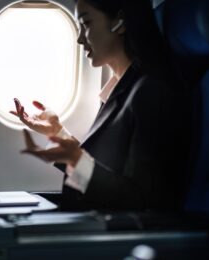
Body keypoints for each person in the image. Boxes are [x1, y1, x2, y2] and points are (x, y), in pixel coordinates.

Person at [11, 0, 190, 211]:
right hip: (91, 216)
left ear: (120, 23)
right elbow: (102, 171)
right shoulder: (120, 88)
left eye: (86, 24)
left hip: (109, 233)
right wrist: (56, 133)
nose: (79, 39)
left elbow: (141, 200)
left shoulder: (152, 92)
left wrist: (75, 159)